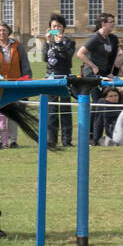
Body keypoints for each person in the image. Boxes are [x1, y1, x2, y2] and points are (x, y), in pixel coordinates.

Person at [44, 13, 76, 148]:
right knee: (51, 110)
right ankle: (51, 140)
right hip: (51, 77)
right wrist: (47, 43)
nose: (56, 28)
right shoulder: (48, 42)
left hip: (64, 77)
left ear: (63, 28)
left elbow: (67, 58)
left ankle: (66, 140)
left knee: (65, 109)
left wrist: (59, 43)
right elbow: (45, 59)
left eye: (59, 26)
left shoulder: (69, 42)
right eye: (53, 26)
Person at [76, 12, 119, 80]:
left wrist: (108, 74)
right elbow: (80, 53)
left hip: (102, 73)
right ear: (103, 24)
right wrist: (93, 67)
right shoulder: (95, 37)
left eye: (113, 22)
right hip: (91, 74)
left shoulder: (107, 38)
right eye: (111, 22)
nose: (113, 24)